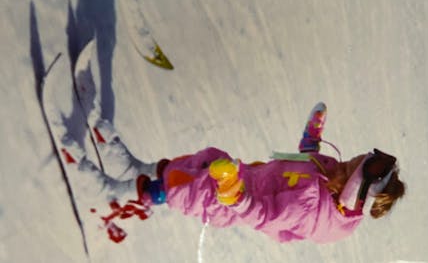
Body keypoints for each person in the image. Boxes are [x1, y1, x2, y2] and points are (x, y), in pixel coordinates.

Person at [61, 102, 405, 244]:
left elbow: (264, 216)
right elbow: (308, 161)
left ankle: (114, 198)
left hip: (230, 200)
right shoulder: (331, 176)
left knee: (186, 189)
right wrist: (311, 137)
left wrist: (233, 194)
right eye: (347, 161)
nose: (339, 163)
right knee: (194, 164)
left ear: (350, 190)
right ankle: (136, 170)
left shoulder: (307, 208)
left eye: (347, 167)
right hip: (242, 176)